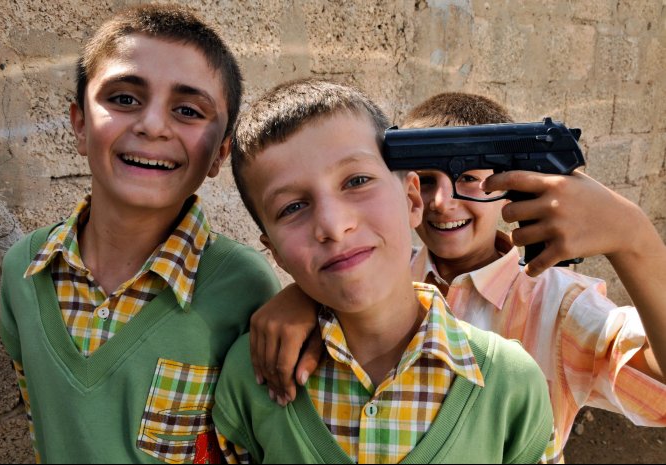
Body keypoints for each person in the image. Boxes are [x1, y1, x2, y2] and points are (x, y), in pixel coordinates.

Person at [250, 92, 666, 462]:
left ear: (512, 183)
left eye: (467, 177)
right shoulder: (379, 275)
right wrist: (303, 296)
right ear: (407, 191)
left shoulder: (559, 304)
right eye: (427, 180)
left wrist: (635, 240)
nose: (442, 202)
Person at [213, 79, 554, 464]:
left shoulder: (510, 383)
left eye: (356, 181)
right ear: (274, 251)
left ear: (411, 199)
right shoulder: (251, 377)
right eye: (292, 207)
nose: (333, 225)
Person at [0, 5, 280, 463]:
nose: (151, 126)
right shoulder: (25, 272)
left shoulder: (246, 286)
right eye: (124, 99)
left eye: (188, 110)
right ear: (80, 124)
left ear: (220, 154)